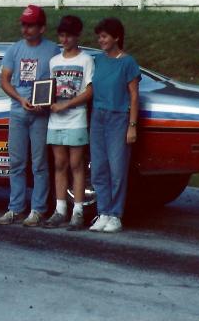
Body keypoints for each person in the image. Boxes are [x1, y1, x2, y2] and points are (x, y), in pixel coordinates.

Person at [0, 5, 60, 227]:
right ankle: (15, 208)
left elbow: (59, 80)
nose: (26, 29)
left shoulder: (53, 50)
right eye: (24, 24)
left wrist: (48, 101)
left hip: (41, 114)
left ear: (42, 28)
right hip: (18, 111)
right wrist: (20, 99)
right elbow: (4, 80)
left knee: (40, 163)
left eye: (31, 25)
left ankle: (38, 209)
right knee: (16, 162)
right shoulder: (14, 50)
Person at [89, 17, 140, 233]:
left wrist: (132, 125)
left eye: (104, 36)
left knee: (117, 169)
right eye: (99, 37)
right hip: (97, 117)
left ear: (116, 37)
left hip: (119, 118)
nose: (101, 40)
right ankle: (103, 212)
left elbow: (134, 97)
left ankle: (116, 215)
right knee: (98, 168)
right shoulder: (98, 61)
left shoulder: (128, 62)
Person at [42, 15, 94, 230]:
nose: (64, 40)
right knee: (59, 164)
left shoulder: (86, 60)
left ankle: (78, 211)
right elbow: (47, 89)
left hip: (76, 119)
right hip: (55, 121)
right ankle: (60, 209)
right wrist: (44, 102)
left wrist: (67, 104)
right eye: (61, 35)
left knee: (77, 165)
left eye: (68, 36)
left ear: (77, 36)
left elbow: (90, 91)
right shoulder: (54, 61)